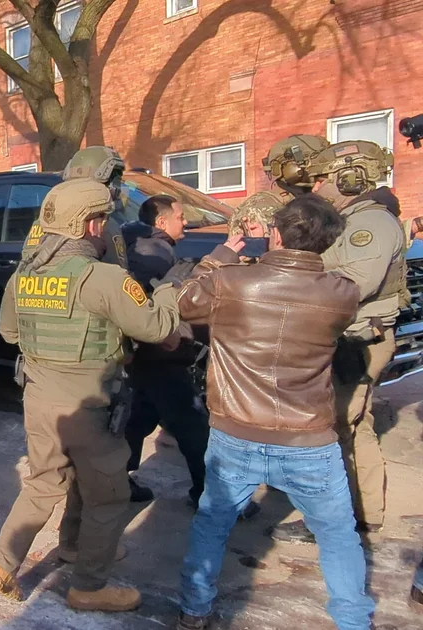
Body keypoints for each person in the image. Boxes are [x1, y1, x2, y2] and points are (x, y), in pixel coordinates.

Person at [0, 179, 181, 612]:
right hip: (90, 407)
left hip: (39, 400)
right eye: (103, 220)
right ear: (90, 225)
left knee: (43, 483)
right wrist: (169, 290)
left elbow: (9, 332)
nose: (106, 228)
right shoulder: (103, 277)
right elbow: (156, 327)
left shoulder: (25, 273)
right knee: (107, 496)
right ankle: (88, 587)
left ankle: (2, 564)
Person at [176, 195, 371, 630]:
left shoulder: (230, 282)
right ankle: (354, 622)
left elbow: (184, 301)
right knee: (338, 536)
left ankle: (193, 610)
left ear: (276, 235)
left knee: (212, 524)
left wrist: (222, 255)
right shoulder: (343, 293)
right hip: (309, 439)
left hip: (236, 431)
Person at [269, 140, 403, 544]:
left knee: (336, 431)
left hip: (359, 340)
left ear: (350, 178)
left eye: (323, 179)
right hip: (354, 336)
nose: (317, 187)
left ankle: (333, 521)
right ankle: (365, 513)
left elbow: (355, 284)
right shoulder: (358, 218)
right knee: (356, 427)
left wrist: (295, 281)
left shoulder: (371, 224)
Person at [120, 195, 208, 508]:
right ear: (161, 221)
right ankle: (210, 495)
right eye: (180, 217)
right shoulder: (152, 254)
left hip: (146, 354)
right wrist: (166, 338)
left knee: (139, 417)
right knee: (192, 423)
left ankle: (116, 481)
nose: (185, 222)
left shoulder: (144, 246)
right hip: (161, 352)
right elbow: (148, 306)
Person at [62, 145, 130, 269]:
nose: (117, 189)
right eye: (115, 181)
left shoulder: (45, 222)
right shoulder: (103, 224)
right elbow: (119, 275)